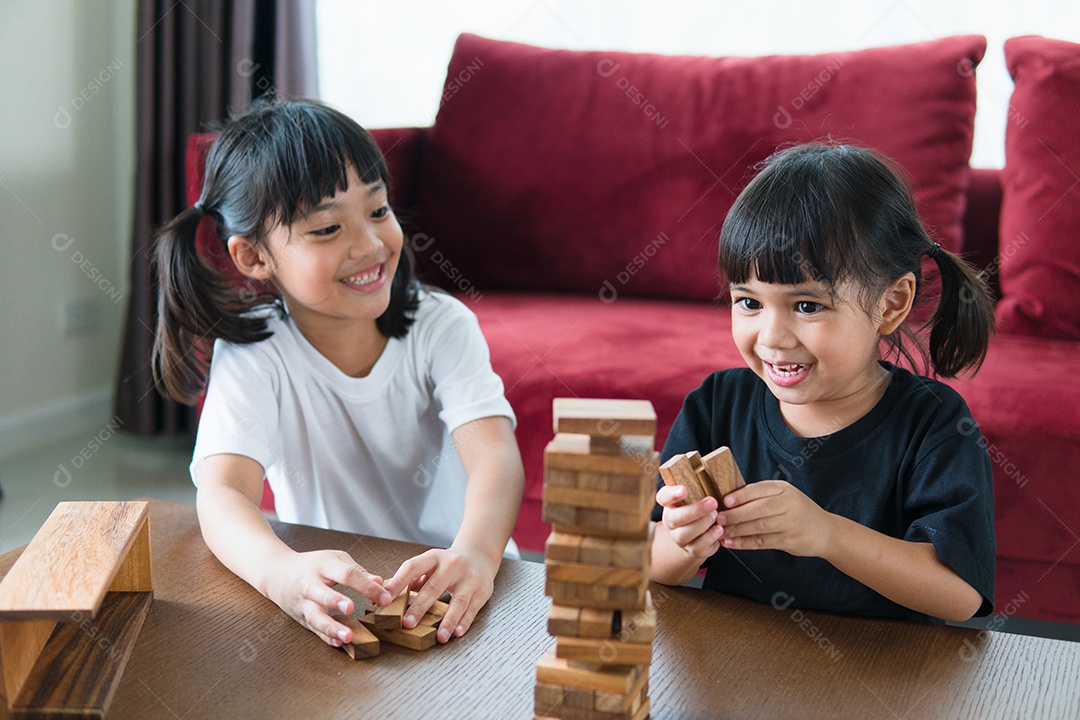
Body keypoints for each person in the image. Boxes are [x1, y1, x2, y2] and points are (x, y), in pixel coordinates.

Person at [152, 99, 524, 648]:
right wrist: (280, 572)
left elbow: (494, 454)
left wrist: (476, 554)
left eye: (378, 211)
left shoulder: (442, 326)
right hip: (346, 597)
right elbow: (223, 494)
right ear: (255, 257)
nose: (371, 244)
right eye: (327, 228)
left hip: (465, 581)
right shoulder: (255, 352)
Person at [650, 143, 996, 623]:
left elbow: (961, 595)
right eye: (748, 302)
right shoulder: (716, 405)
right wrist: (682, 540)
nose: (771, 337)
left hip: (883, 679)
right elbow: (649, 559)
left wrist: (827, 535)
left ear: (891, 305)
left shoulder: (934, 424)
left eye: (808, 306)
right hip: (737, 669)